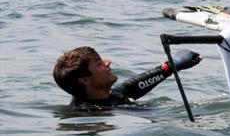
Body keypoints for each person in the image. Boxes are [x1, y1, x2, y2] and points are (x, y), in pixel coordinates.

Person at [53, 46, 203, 109]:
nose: (107, 62)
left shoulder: (106, 97)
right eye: (99, 63)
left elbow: (130, 88)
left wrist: (170, 66)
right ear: (86, 80)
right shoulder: (97, 112)